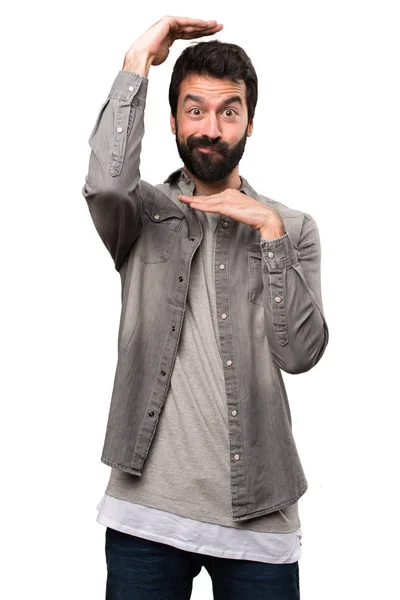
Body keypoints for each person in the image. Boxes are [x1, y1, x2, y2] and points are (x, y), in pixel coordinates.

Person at [82, 15, 329, 600]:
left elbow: (300, 354)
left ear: (249, 122)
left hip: (259, 514)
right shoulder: (140, 214)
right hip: (146, 515)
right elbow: (106, 184)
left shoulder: (291, 227)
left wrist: (270, 240)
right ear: (172, 120)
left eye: (228, 112)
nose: (210, 128)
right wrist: (136, 64)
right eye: (195, 110)